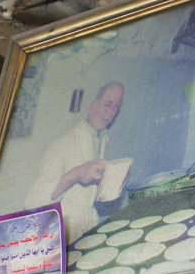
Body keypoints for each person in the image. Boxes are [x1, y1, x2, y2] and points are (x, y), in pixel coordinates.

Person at [25, 82, 124, 244]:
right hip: (61, 236)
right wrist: (76, 174)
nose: (111, 112)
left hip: (86, 229)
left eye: (116, 107)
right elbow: (33, 202)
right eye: (108, 104)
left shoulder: (102, 140)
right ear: (92, 106)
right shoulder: (63, 144)